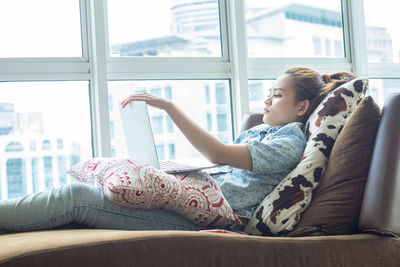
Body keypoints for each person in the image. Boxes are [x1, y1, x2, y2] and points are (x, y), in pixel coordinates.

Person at [0, 67, 356, 234]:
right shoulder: (262, 132)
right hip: (191, 203)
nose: (267, 98)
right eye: (269, 90)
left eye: (278, 94)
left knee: (76, 198)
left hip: (207, 219)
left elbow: (217, 155)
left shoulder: (290, 141)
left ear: (301, 107)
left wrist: (168, 107)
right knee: (88, 195)